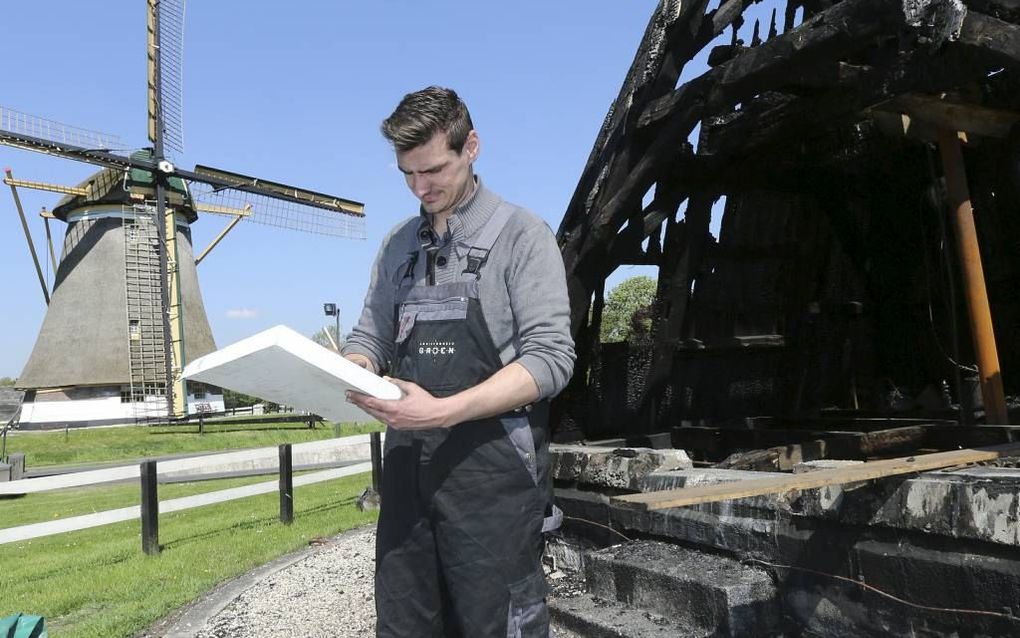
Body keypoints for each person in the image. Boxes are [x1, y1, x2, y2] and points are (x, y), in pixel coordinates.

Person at [342, 86, 575, 637]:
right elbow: (370, 336)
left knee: (496, 624)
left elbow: (550, 359)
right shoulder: (398, 247)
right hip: (406, 478)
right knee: (405, 623)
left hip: (493, 481)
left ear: (471, 146)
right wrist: (353, 364)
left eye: (434, 170)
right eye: (407, 174)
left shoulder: (522, 237)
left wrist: (444, 412)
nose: (420, 188)